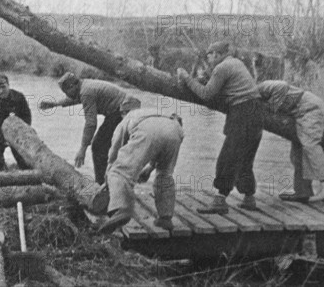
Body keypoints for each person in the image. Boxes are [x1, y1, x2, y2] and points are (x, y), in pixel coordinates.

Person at [177, 41, 263, 214]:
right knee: (245, 158)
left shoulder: (222, 67)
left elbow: (206, 94)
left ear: (216, 54)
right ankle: (249, 198)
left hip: (242, 112)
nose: (208, 59)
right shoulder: (237, 63)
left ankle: (220, 201)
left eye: (209, 55)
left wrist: (187, 78)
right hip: (256, 111)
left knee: (228, 157)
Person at [99, 97, 184, 234]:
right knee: (165, 174)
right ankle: (165, 217)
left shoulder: (128, 117)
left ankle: (122, 208)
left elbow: (115, 149)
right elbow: (161, 137)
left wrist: (109, 171)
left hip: (148, 131)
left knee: (118, 172)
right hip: (175, 130)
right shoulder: (153, 111)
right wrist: (150, 168)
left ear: (123, 112)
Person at [39, 72, 127, 185]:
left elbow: (91, 123)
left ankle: (102, 184)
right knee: (108, 146)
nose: (67, 95)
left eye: (66, 92)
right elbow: (74, 98)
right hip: (120, 109)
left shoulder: (86, 93)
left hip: (121, 111)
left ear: (72, 86)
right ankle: (110, 181)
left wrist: (83, 148)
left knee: (98, 146)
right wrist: (55, 104)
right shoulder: (83, 86)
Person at [257, 80, 324, 202]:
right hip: (300, 113)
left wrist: (270, 107)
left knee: (310, 144)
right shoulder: (258, 94)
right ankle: (303, 192)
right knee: (296, 155)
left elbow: (282, 86)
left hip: (310, 108)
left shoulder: (263, 87)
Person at [0, 74, 32, 171]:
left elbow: (27, 117)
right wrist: (2, 139)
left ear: (8, 85)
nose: (1, 91)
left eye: (3, 87)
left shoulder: (19, 97)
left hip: (16, 133)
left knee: (24, 161)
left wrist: (22, 132)